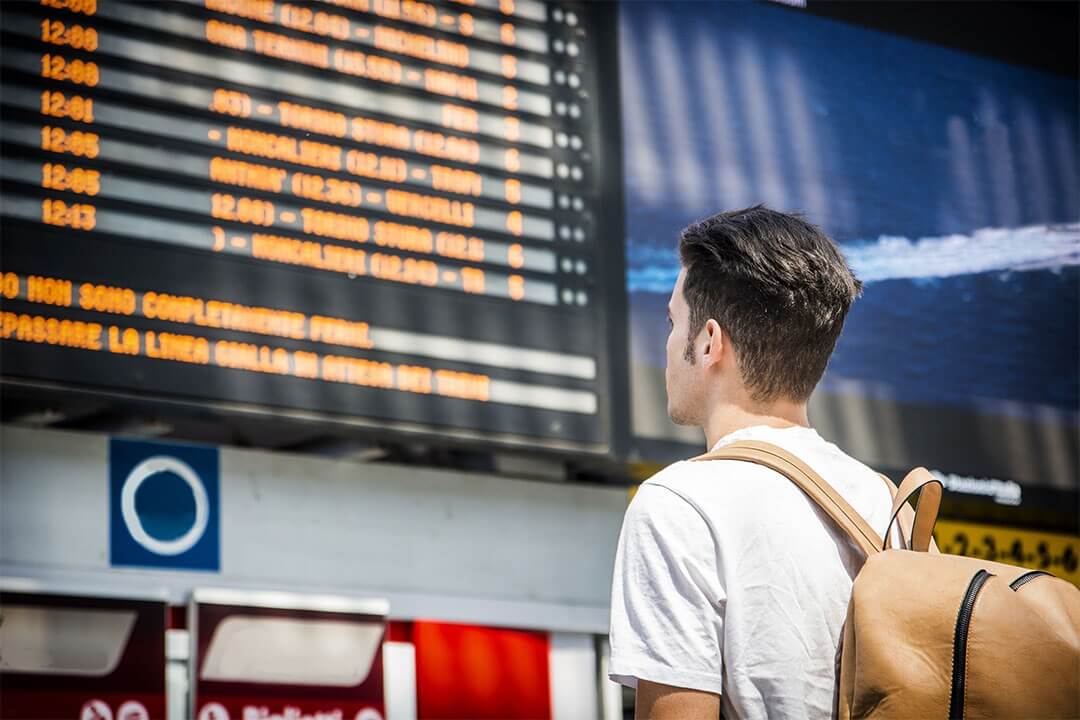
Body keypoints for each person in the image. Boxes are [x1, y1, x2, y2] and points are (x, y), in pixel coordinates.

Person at [609, 206, 902, 719]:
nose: (669, 341)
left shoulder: (680, 506)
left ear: (708, 342)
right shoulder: (889, 505)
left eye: (673, 321)